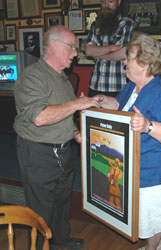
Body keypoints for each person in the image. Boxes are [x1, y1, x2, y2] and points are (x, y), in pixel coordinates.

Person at [94, 32, 161, 250]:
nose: (124, 62)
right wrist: (102, 101)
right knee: (145, 216)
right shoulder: (132, 86)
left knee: (153, 218)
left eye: (128, 57)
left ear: (145, 64)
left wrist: (149, 126)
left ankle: (153, 248)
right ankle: (155, 246)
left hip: (158, 171)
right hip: (138, 167)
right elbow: (120, 106)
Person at [13, 25, 100, 250]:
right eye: (71, 47)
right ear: (53, 45)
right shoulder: (31, 76)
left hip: (62, 151)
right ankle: (43, 246)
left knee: (62, 201)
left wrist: (76, 133)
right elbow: (40, 117)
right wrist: (77, 103)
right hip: (38, 152)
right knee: (41, 207)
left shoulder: (61, 77)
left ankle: (60, 239)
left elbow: (64, 113)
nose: (75, 53)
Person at [85, 0, 135, 97]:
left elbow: (124, 53)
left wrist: (99, 54)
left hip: (118, 86)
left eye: (110, 1)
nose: (106, 5)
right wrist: (112, 48)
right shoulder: (95, 25)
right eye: (103, 2)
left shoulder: (127, 24)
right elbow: (88, 51)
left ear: (119, 2)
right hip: (95, 85)